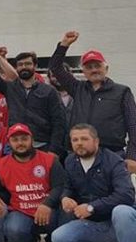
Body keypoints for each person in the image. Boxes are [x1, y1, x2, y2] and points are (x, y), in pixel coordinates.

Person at [51, 124, 134, 242]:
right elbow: (68, 187)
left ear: (96, 141)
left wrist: (91, 207)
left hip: (116, 224)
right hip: (93, 224)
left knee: (122, 212)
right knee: (59, 238)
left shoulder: (114, 161)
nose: (79, 143)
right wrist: (65, 198)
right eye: (75, 140)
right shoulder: (70, 161)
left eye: (84, 139)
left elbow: (126, 195)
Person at [49, 31, 136, 168]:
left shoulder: (122, 92)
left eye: (97, 66)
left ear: (106, 68)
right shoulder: (77, 88)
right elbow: (55, 67)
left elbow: (133, 125)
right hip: (79, 153)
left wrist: (132, 156)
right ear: (83, 71)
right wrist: (64, 45)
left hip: (112, 154)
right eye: (89, 67)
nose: (94, 70)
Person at [0, 123, 65, 242]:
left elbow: (60, 186)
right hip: (22, 212)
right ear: (9, 143)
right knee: (13, 229)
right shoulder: (2, 164)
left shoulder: (50, 160)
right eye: (15, 140)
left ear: (32, 140)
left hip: (48, 210)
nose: (20, 143)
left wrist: (47, 204)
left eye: (24, 139)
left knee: (65, 214)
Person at [0, 37, 67, 157]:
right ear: (16, 68)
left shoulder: (49, 91)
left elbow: (59, 122)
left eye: (28, 64)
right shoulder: (10, 88)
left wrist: (54, 150)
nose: (24, 67)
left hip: (42, 146)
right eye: (20, 64)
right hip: (15, 145)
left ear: (35, 66)